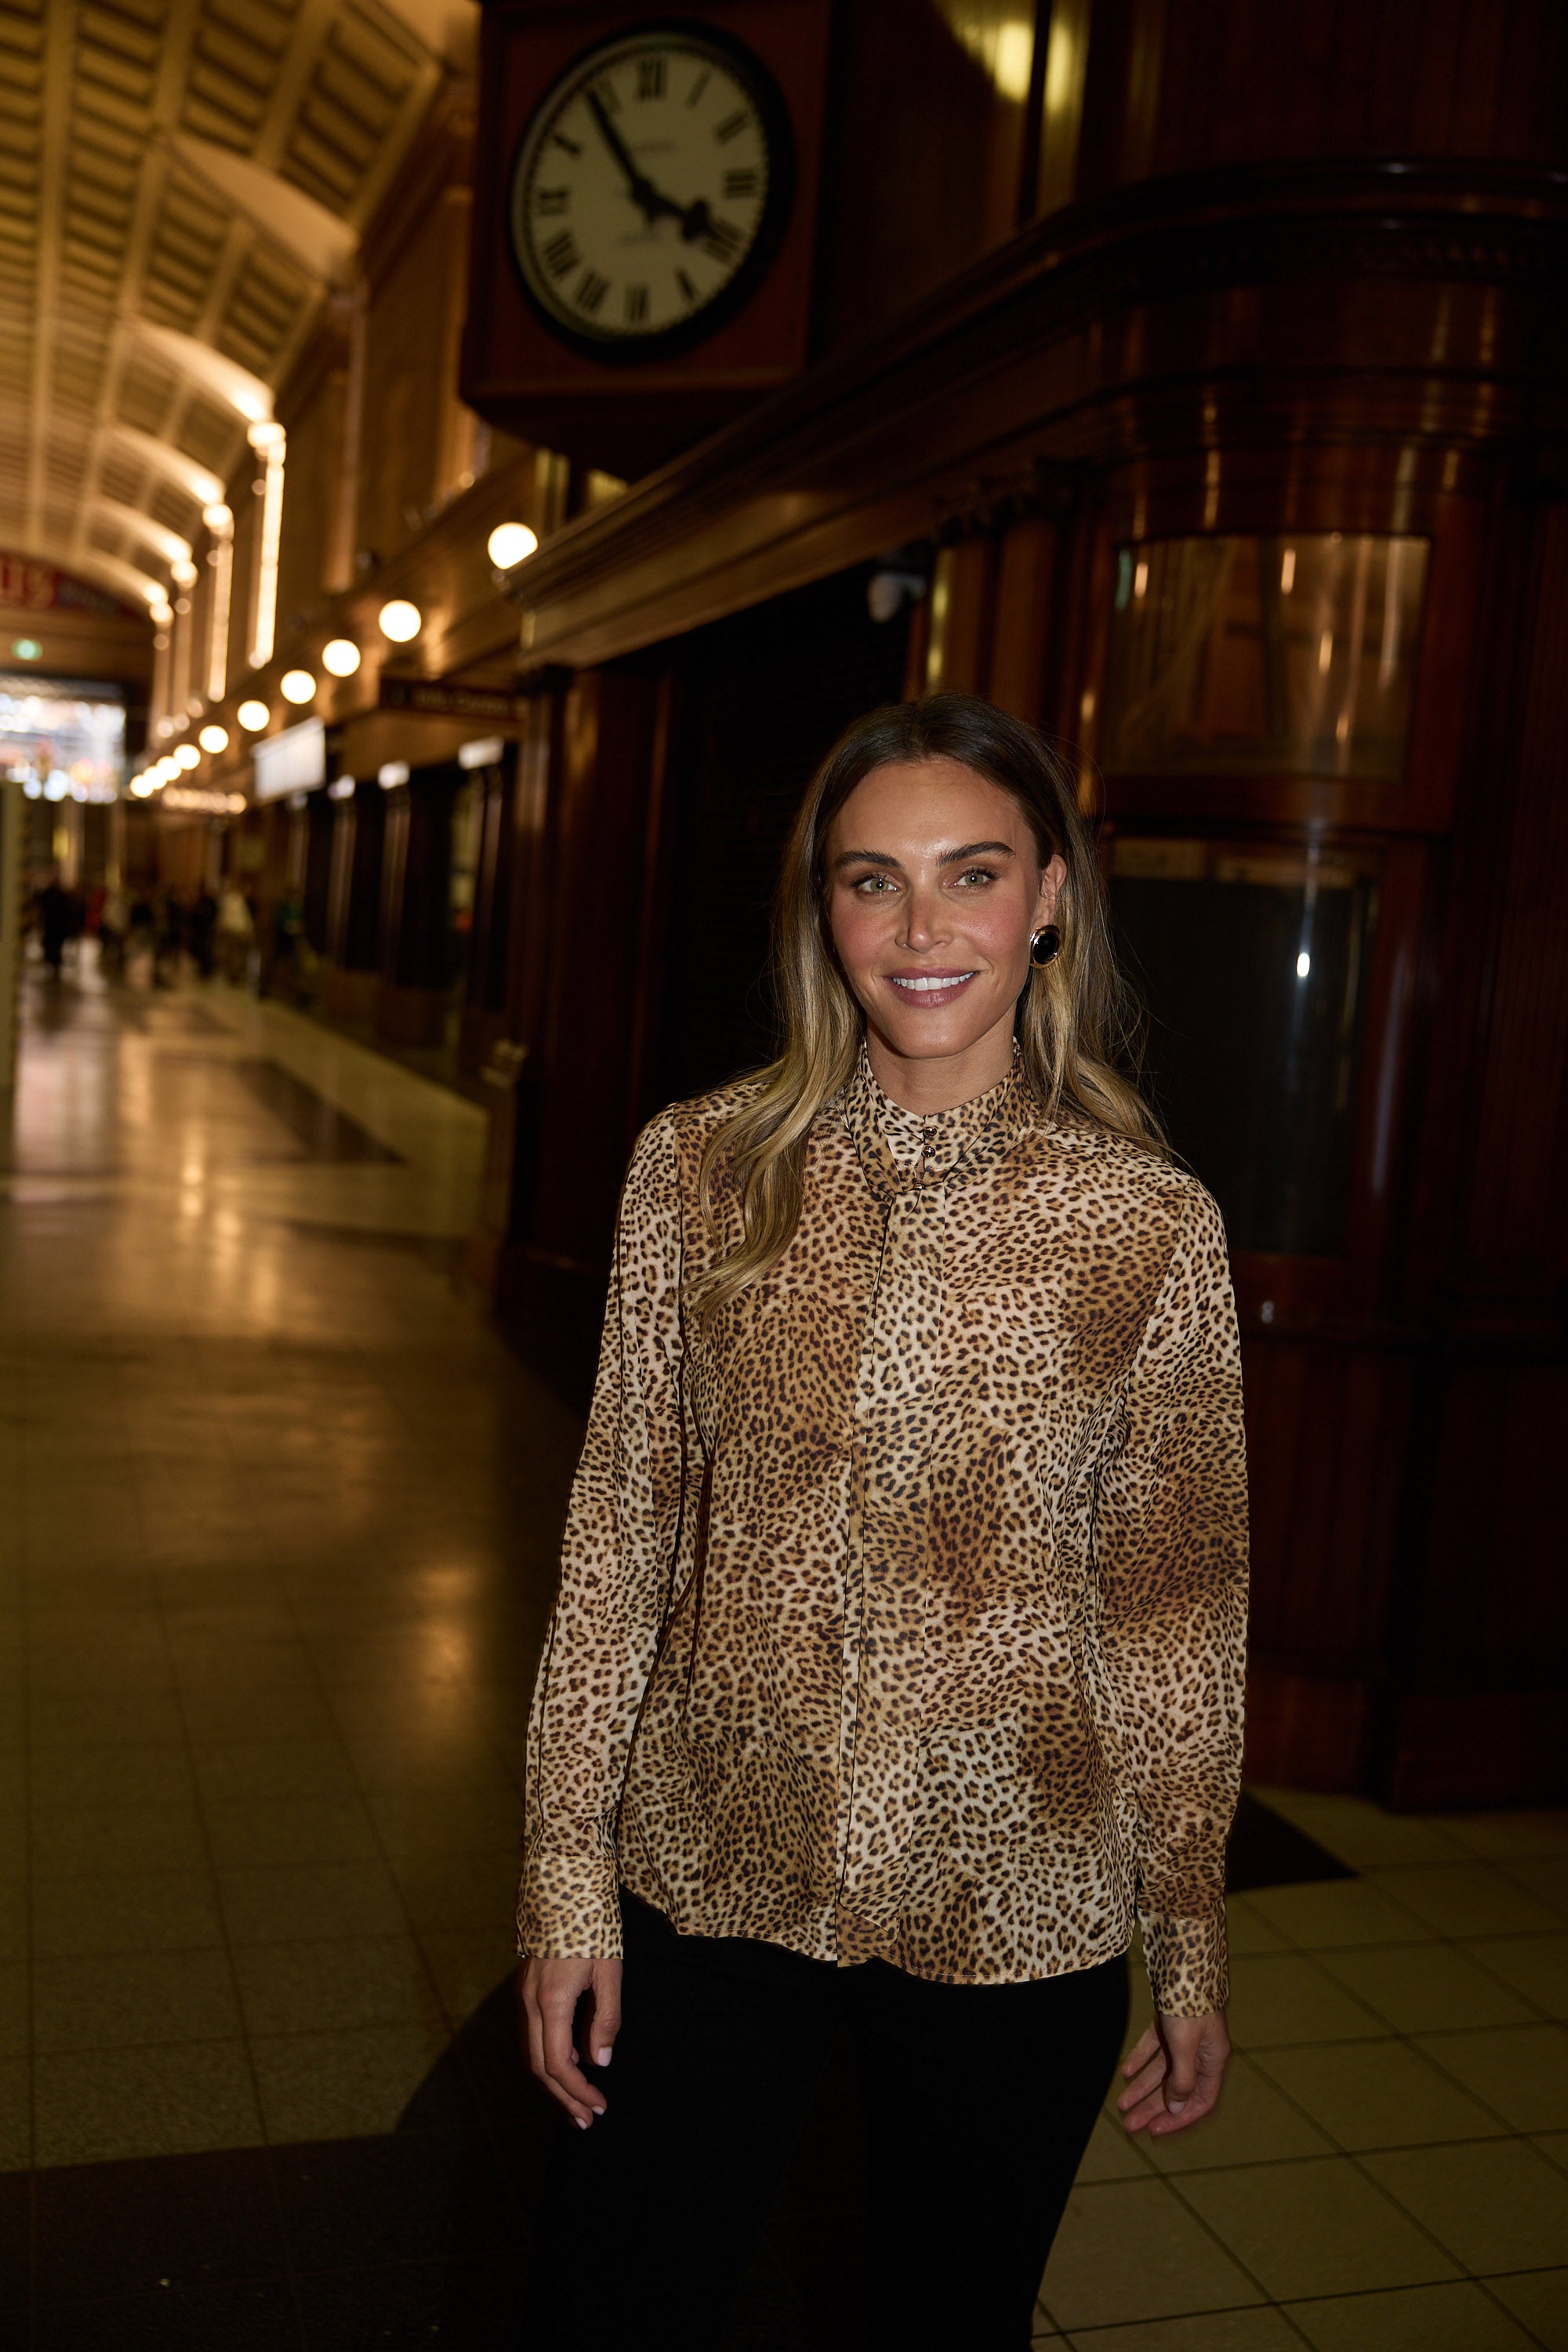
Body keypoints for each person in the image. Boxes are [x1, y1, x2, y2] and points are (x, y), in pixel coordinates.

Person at [518, 695, 1248, 2352]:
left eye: (970, 874)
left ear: (1049, 896)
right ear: (821, 910)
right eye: (870, 882)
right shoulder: (701, 1170)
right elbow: (618, 1537)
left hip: (1018, 1899)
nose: (920, 930)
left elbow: (1174, 1609)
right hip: (715, 1868)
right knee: (613, 2298)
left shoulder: (1143, 1224)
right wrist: (565, 1884)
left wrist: (1186, 1939)